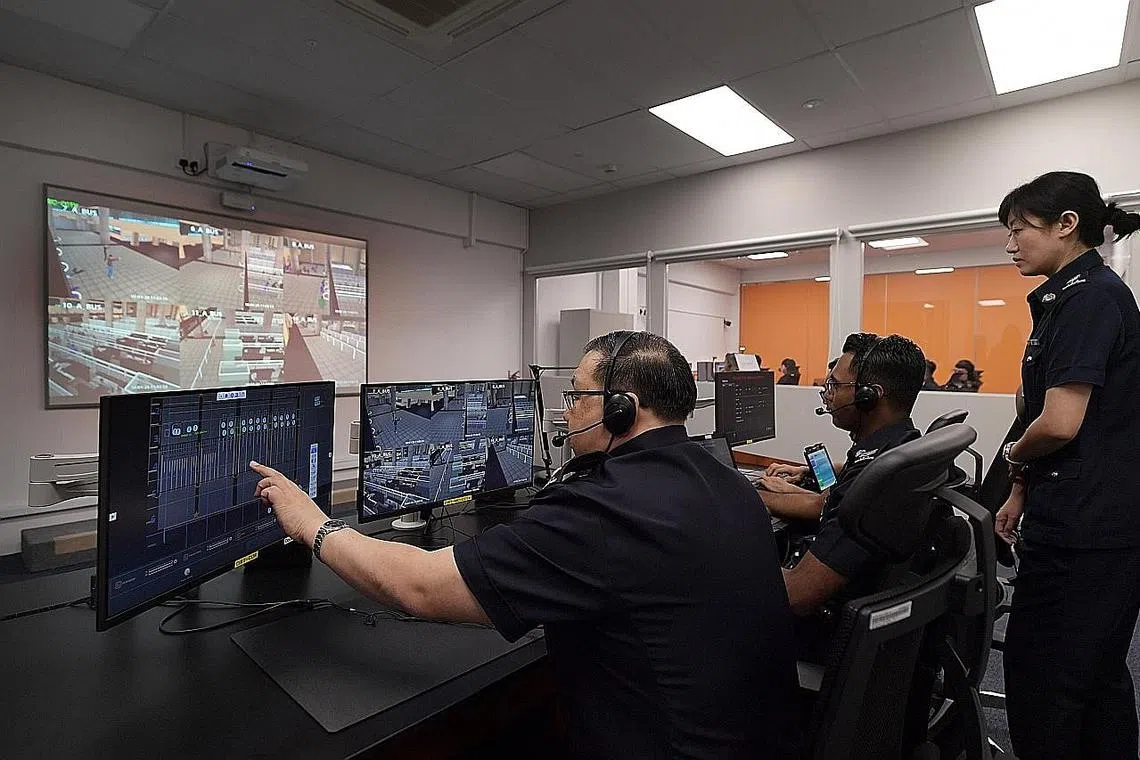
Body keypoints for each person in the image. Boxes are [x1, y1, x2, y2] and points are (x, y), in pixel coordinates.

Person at [252, 330, 797, 759]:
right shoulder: (730, 481)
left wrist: (313, 524)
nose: (566, 411)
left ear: (621, 409)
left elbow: (418, 587)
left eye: (577, 396)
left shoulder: (606, 510)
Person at [992, 171, 1140, 760]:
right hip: (1088, 517)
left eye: (1019, 230)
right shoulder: (1069, 298)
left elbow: (1058, 423)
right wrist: (1020, 491)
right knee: (1095, 677)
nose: (1010, 244)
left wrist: (1012, 457)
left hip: (1088, 531)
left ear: (1066, 225)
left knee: (1047, 681)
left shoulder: (1089, 298)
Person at [759, 333, 926, 617]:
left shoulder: (872, 488)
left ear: (869, 397)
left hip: (823, 625)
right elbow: (835, 495)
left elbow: (795, 595)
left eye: (835, 385)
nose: (828, 394)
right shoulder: (903, 446)